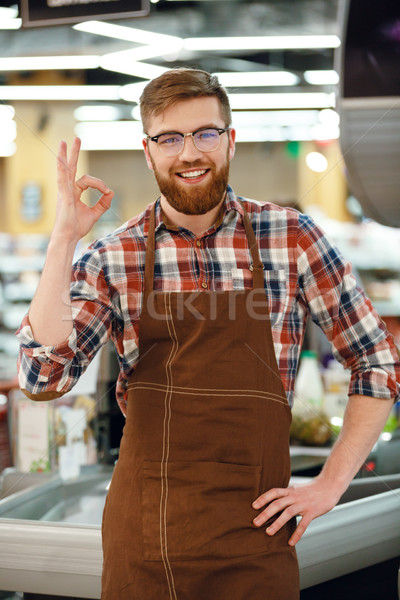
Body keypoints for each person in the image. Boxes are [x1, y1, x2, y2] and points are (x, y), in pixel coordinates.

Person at [17, 68, 400, 600]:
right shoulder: (113, 256)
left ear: (230, 141)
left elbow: (377, 360)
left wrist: (330, 485)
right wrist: (63, 237)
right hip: (145, 540)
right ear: (148, 152)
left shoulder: (290, 238)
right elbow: (43, 376)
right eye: (169, 138)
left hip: (257, 538)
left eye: (205, 133)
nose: (189, 152)